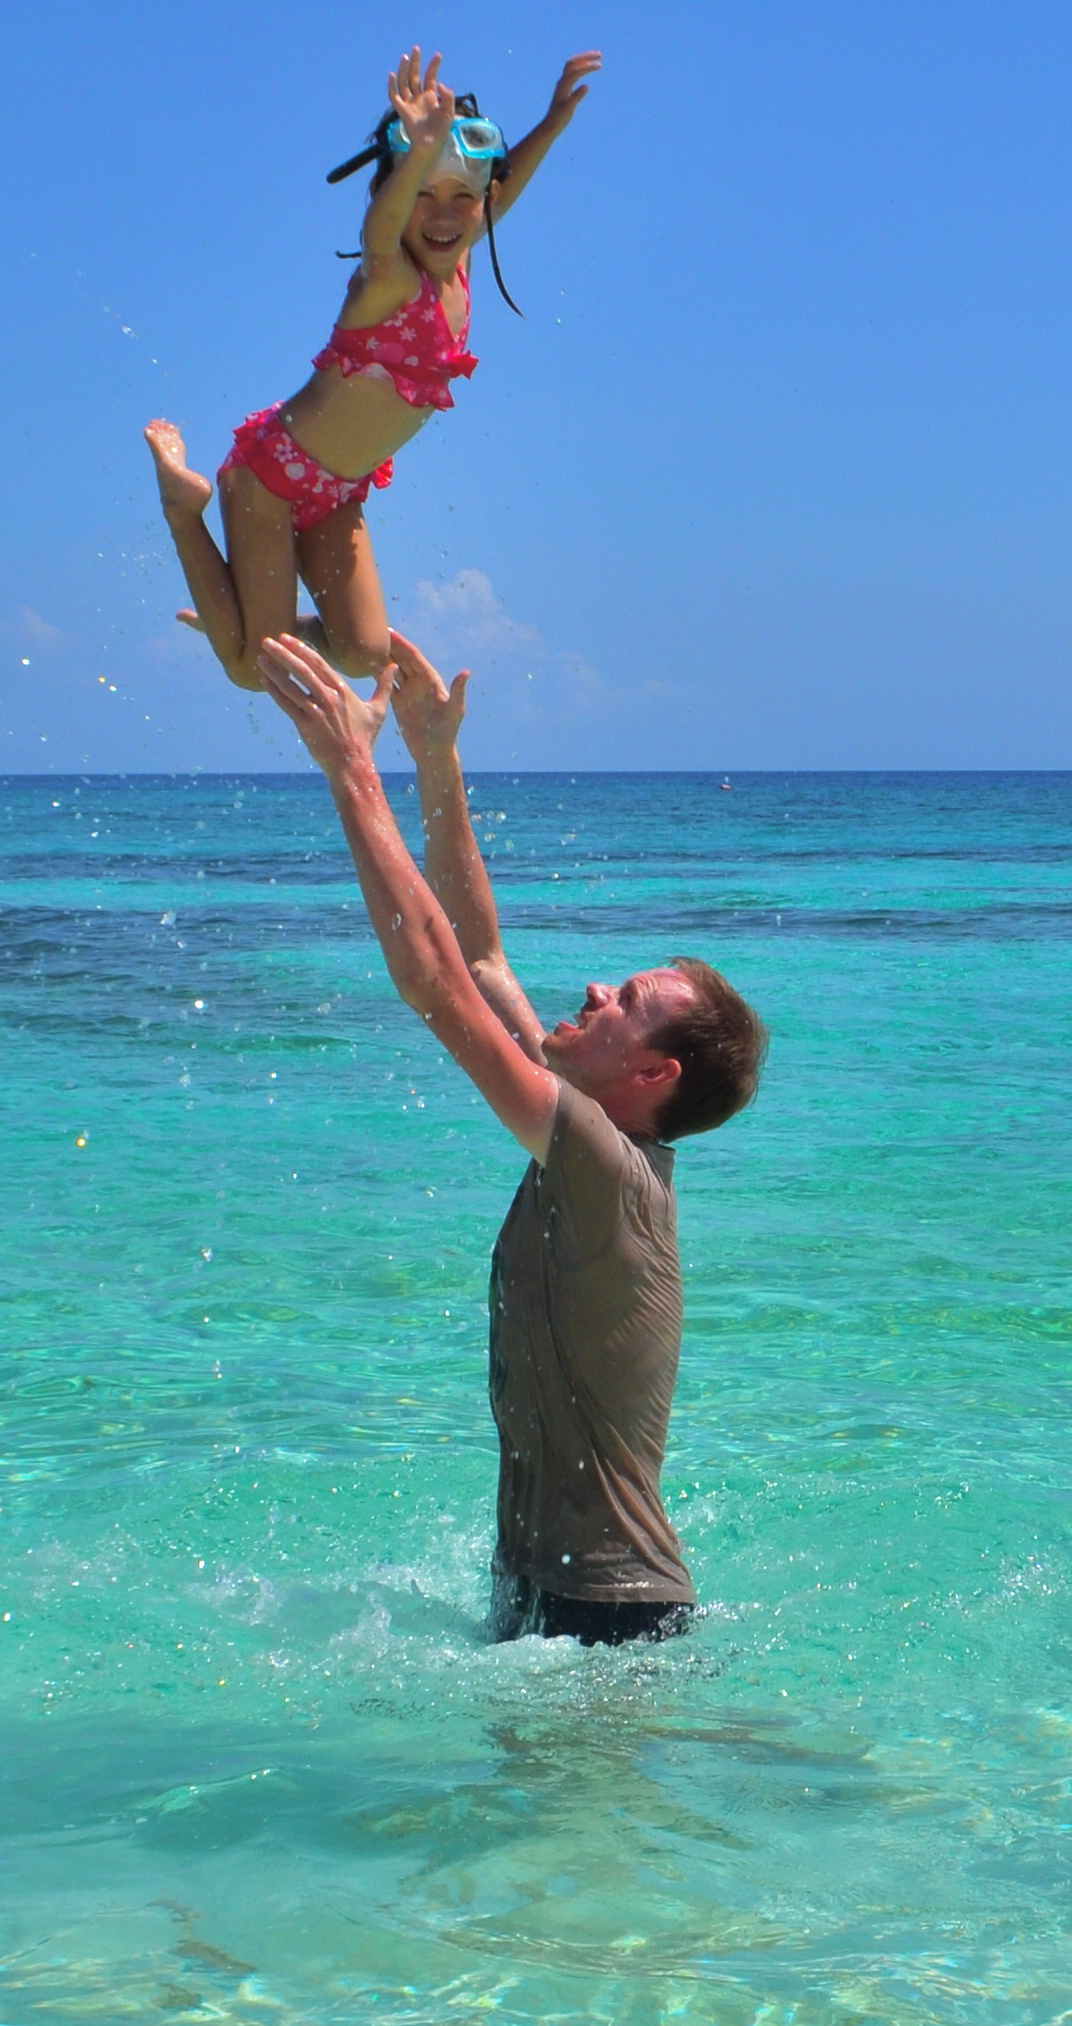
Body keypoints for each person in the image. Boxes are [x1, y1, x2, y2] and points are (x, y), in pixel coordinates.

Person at [251, 626, 767, 1644]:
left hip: (609, 1615)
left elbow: (434, 982)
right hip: (542, 1601)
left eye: (626, 1001)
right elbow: (479, 955)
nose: (595, 988)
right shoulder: (587, 1128)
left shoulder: (604, 1163)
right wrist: (434, 759)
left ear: (651, 1074)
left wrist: (352, 769)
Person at [148, 47, 601, 690]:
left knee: (363, 655)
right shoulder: (387, 282)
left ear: (485, 198)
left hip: (338, 490)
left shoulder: (460, 262)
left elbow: (501, 191)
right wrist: (418, 153)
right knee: (255, 672)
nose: (443, 214)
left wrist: (551, 124)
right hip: (270, 481)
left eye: (462, 198)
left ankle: (243, 614)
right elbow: (378, 236)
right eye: (421, 195)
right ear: (392, 193)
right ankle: (183, 513)